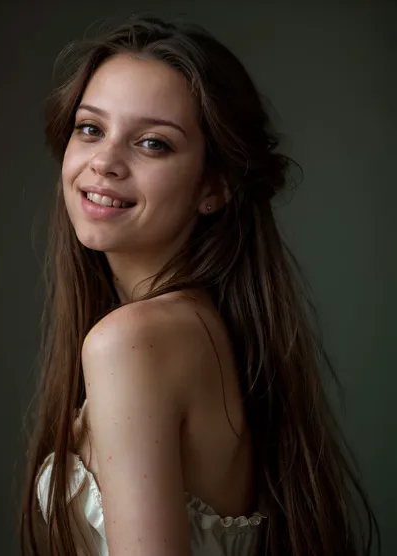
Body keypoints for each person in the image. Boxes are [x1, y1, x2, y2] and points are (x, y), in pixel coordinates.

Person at [20, 14, 380, 556]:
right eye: (90, 128)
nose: (105, 162)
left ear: (213, 187)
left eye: (152, 143)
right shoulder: (204, 329)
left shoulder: (132, 342)